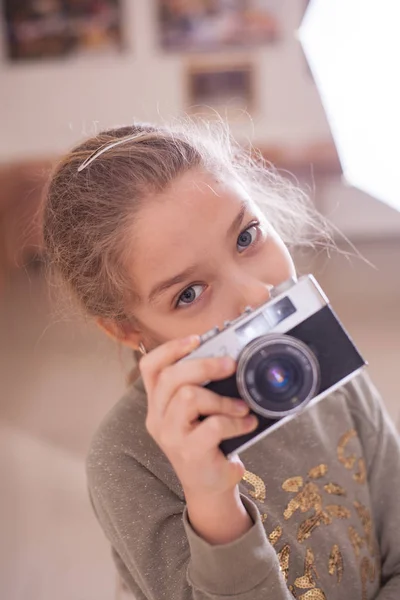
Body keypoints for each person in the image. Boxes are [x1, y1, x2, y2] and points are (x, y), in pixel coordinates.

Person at [42, 121, 400, 600]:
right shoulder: (128, 458)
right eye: (189, 293)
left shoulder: (320, 361)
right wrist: (213, 505)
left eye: (247, 237)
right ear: (127, 329)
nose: (255, 295)